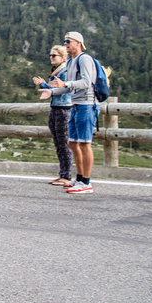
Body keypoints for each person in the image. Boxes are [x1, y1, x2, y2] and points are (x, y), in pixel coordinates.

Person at [39, 31, 98, 194]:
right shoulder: (71, 62)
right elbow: (68, 87)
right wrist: (52, 91)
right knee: (72, 143)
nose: (65, 44)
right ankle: (78, 178)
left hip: (86, 104)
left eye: (68, 41)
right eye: (65, 41)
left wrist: (65, 84)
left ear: (78, 43)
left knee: (85, 143)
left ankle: (86, 182)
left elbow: (86, 82)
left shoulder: (84, 59)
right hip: (74, 105)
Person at [33, 45, 72, 186]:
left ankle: (66, 175)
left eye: (54, 55)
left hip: (63, 108)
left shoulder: (65, 72)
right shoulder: (57, 71)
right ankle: (63, 174)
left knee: (63, 143)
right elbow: (52, 90)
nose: (51, 57)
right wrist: (43, 84)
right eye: (50, 55)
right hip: (56, 107)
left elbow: (63, 89)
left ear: (62, 57)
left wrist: (44, 85)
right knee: (59, 143)